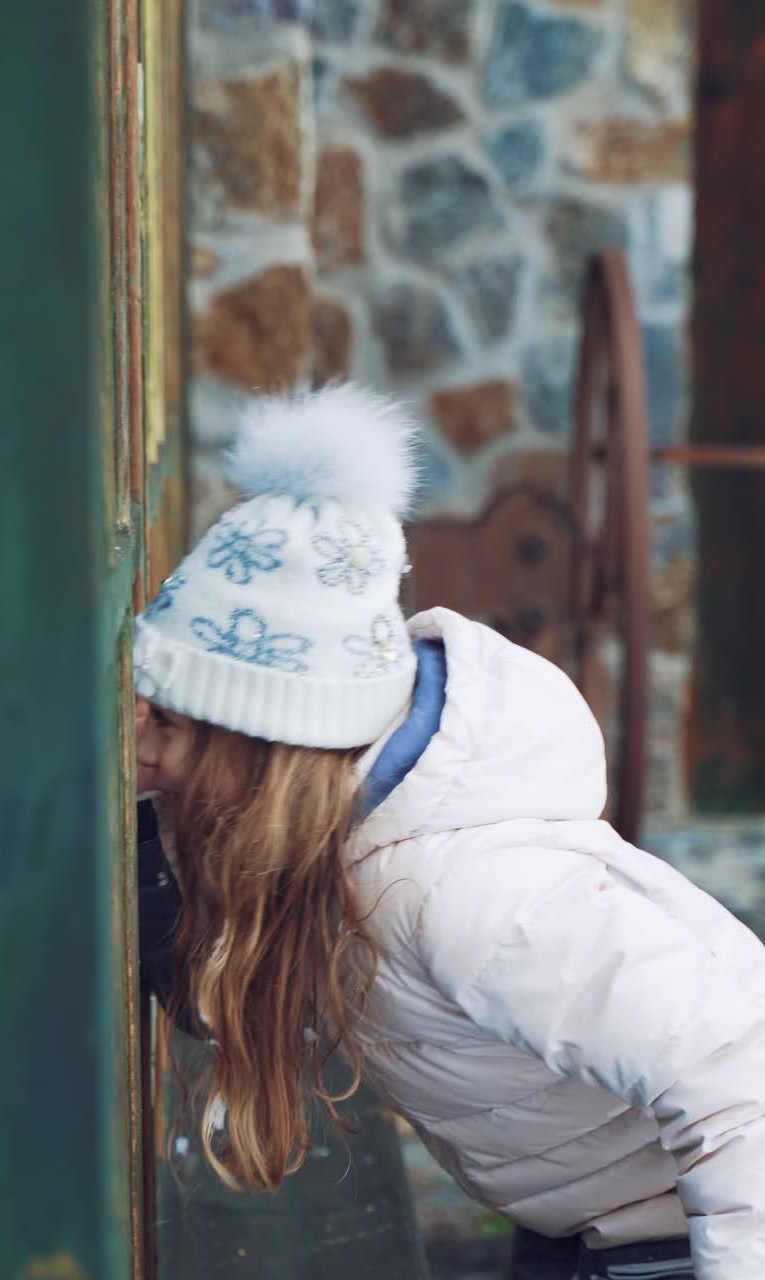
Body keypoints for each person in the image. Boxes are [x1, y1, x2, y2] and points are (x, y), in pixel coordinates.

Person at [132, 384, 765, 1280]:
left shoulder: (469, 892)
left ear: (260, 757)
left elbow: (743, 1079)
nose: (136, 739)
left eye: (168, 724)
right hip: (585, 1227)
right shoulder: (341, 841)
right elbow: (208, 986)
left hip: (676, 1244)